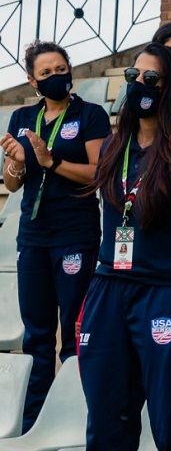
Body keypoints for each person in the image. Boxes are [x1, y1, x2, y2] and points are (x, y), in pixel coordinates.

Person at [80, 43, 171, 450]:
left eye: (151, 79)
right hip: (109, 288)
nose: (139, 85)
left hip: (167, 294)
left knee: (170, 422)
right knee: (107, 420)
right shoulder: (113, 147)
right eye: (133, 77)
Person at [0, 42, 109, 432]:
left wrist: (51, 160)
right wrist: (15, 162)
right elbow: (12, 186)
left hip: (74, 235)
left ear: (70, 70)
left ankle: (79, 417)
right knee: (37, 334)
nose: (54, 76)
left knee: (77, 333)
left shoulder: (91, 114)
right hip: (33, 234)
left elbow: (98, 173)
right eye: (44, 73)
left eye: (60, 68)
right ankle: (33, 420)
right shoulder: (23, 117)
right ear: (31, 81)